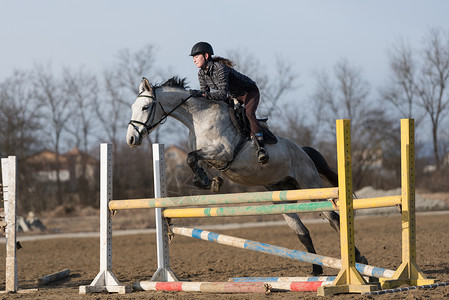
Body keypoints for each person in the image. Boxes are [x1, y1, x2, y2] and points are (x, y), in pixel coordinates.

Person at [188, 42, 269, 165]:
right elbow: (206, 95)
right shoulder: (201, 73)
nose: (194, 60)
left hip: (249, 92)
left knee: (249, 113)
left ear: (206, 55)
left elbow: (221, 95)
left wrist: (201, 94)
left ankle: (261, 148)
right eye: (193, 57)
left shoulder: (220, 68)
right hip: (234, 95)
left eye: (196, 56)